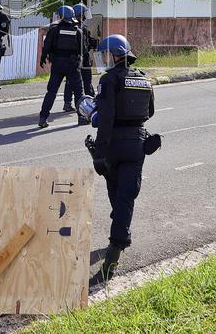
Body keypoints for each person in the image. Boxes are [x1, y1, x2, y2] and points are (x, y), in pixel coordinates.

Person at [88, 34, 155, 280]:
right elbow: (150, 111)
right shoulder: (144, 79)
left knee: (116, 194)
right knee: (126, 198)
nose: (103, 60)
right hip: (137, 144)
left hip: (114, 144)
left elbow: (105, 120)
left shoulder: (109, 80)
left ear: (116, 54)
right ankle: (117, 244)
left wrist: (99, 154)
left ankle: (113, 256)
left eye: (106, 55)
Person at [38, 5, 85, 128]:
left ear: (61, 16)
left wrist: (42, 59)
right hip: (73, 66)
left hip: (57, 65)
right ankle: (82, 118)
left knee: (51, 92)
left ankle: (43, 118)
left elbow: (46, 46)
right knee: (79, 92)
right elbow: (83, 50)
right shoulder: (78, 31)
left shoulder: (54, 29)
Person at [63, 2, 98, 112]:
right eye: (83, 14)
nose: (84, 16)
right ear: (80, 15)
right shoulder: (82, 28)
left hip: (71, 59)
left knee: (70, 81)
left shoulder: (70, 27)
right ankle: (91, 100)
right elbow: (86, 44)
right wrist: (94, 43)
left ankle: (67, 103)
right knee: (87, 80)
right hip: (83, 58)